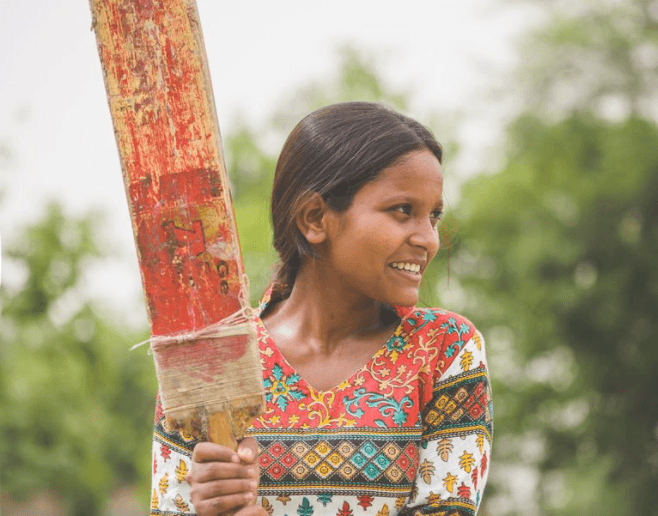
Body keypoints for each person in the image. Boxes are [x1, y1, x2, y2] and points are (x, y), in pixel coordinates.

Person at [150, 102, 493, 516]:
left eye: (434, 216)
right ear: (315, 218)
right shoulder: (209, 359)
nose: (428, 239)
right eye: (403, 211)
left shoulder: (445, 350)